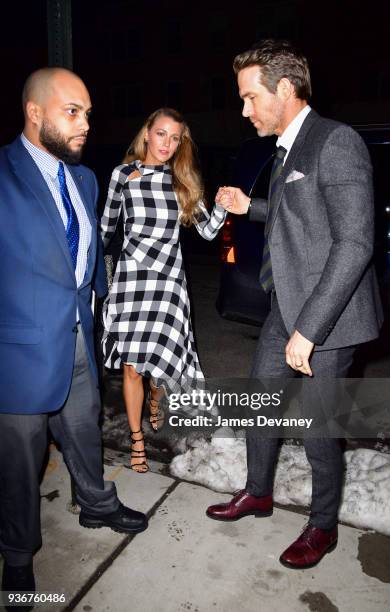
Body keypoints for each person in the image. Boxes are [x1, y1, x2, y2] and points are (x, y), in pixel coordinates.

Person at [207, 40, 383, 569]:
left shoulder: (335, 141)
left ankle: (322, 526)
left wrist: (309, 330)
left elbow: (354, 243)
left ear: (284, 89)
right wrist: (250, 205)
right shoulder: (288, 148)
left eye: (249, 97)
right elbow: (300, 215)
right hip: (287, 303)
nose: (243, 110)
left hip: (328, 318)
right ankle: (258, 492)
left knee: (319, 425)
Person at [0, 67, 147, 603]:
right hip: (15, 351)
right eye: (72, 111)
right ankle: (17, 556)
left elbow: (85, 257)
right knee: (19, 460)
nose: (86, 123)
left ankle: (98, 504)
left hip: (80, 336)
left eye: (87, 112)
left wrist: (100, 306)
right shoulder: (4, 172)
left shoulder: (84, 179)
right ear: (35, 113)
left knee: (85, 432)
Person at [101, 108, 227, 472]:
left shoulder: (180, 180)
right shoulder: (123, 176)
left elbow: (208, 230)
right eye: (161, 134)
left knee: (159, 366)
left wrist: (223, 204)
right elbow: (105, 229)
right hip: (131, 284)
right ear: (147, 134)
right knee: (132, 367)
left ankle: (156, 397)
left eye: (175, 138)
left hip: (168, 286)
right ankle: (137, 438)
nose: (167, 144)